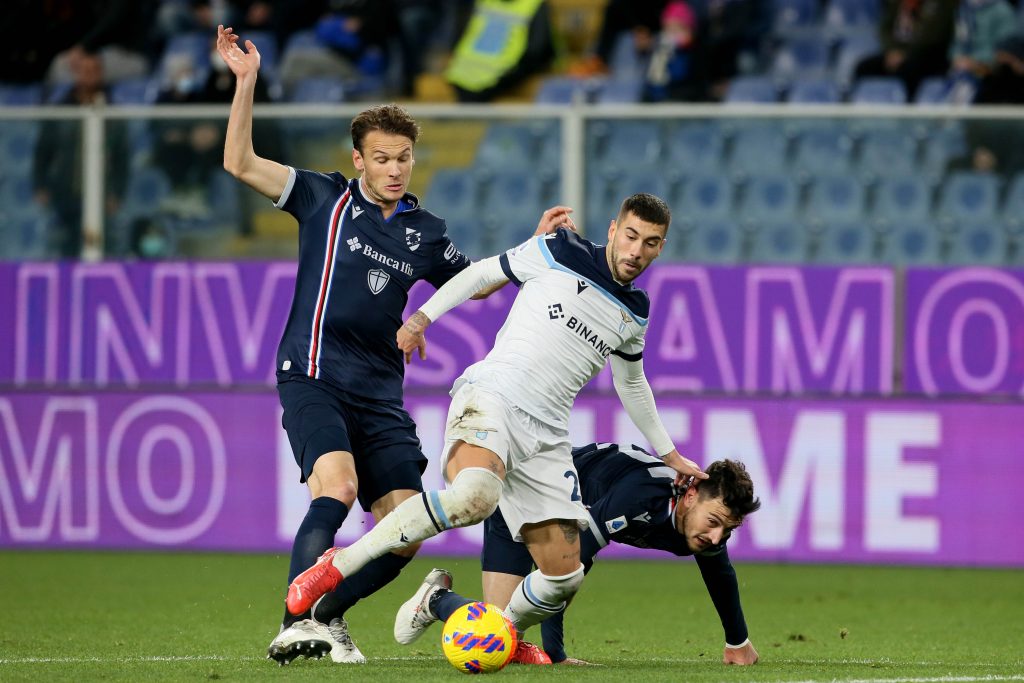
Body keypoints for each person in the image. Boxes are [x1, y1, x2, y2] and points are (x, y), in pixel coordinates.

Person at [214, 24, 575, 665]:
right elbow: (239, 163)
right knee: (336, 488)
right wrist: (246, 83)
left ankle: (327, 616)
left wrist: (533, 245)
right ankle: (293, 624)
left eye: (403, 157)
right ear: (359, 159)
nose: (394, 169)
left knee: (406, 528)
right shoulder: (321, 198)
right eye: (381, 158)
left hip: (380, 389)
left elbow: (476, 283)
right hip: (314, 372)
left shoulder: (425, 230)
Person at [286, 193, 709, 653]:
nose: (636, 251)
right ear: (613, 229)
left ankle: (502, 631)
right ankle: (338, 565)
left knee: (565, 574)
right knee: (475, 496)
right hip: (494, 397)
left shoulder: (636, 310)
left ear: (661, 247)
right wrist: (422, 318)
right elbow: (482, 273)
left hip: (547, 437)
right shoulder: (559, 249)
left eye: (650, 243)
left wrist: (670, 454)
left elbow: (632, 383)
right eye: (630, 236)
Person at [470, 444, 761, 665]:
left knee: (504, 643)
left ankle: (448, 603)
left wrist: (738, 643)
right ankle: (444, 602)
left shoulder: (708, 528)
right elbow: (565, 569)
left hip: (569, 520)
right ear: (691, 496)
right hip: (525, 485)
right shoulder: (640, 497)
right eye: (713, 522)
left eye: (727, 529)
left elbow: (720, 576)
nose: (716, 537)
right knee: (497, 636)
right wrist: (556, 656)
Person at [853, 0, 957, 100]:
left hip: (928, 56)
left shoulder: (941, 4)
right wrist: (893, 50)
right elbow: (885, 28)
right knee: (863, 67)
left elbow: (934, 36)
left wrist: (905, 53)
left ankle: (909, 105)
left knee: (909, 70)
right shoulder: (899, 3)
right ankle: (854, 103)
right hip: (895, 54)